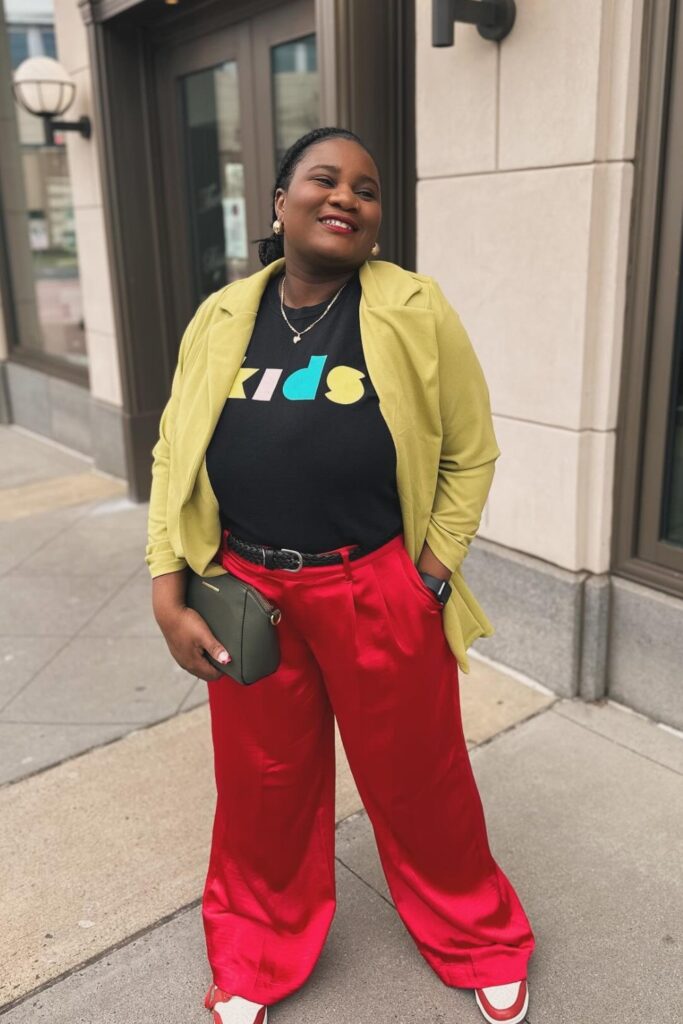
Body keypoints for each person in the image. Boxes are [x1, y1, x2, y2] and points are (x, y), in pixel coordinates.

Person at [146, 126, 535, 1024]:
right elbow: (173, 453)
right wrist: (167, 584)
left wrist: (429, 572)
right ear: (278, 202)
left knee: (420, 779)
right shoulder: (220, 316)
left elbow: (469, 453)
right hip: (246, 592)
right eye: (324, 179)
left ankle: (477, 936)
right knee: (262, 787)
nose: (347, 198)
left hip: (376, 586)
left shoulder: (414, 308)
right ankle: (256, 950)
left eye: (365, 189)